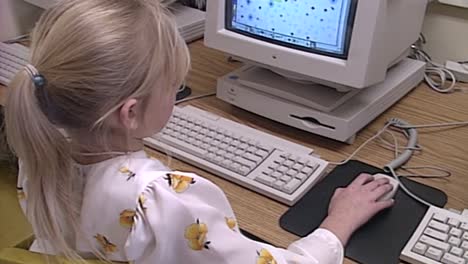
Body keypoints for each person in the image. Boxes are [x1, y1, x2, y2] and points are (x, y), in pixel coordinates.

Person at [4, 0, 394, 263]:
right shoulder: (164, 201)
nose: (178, 93)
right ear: (131, 113)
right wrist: (336, 226)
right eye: (175, 86)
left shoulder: (39, 147)